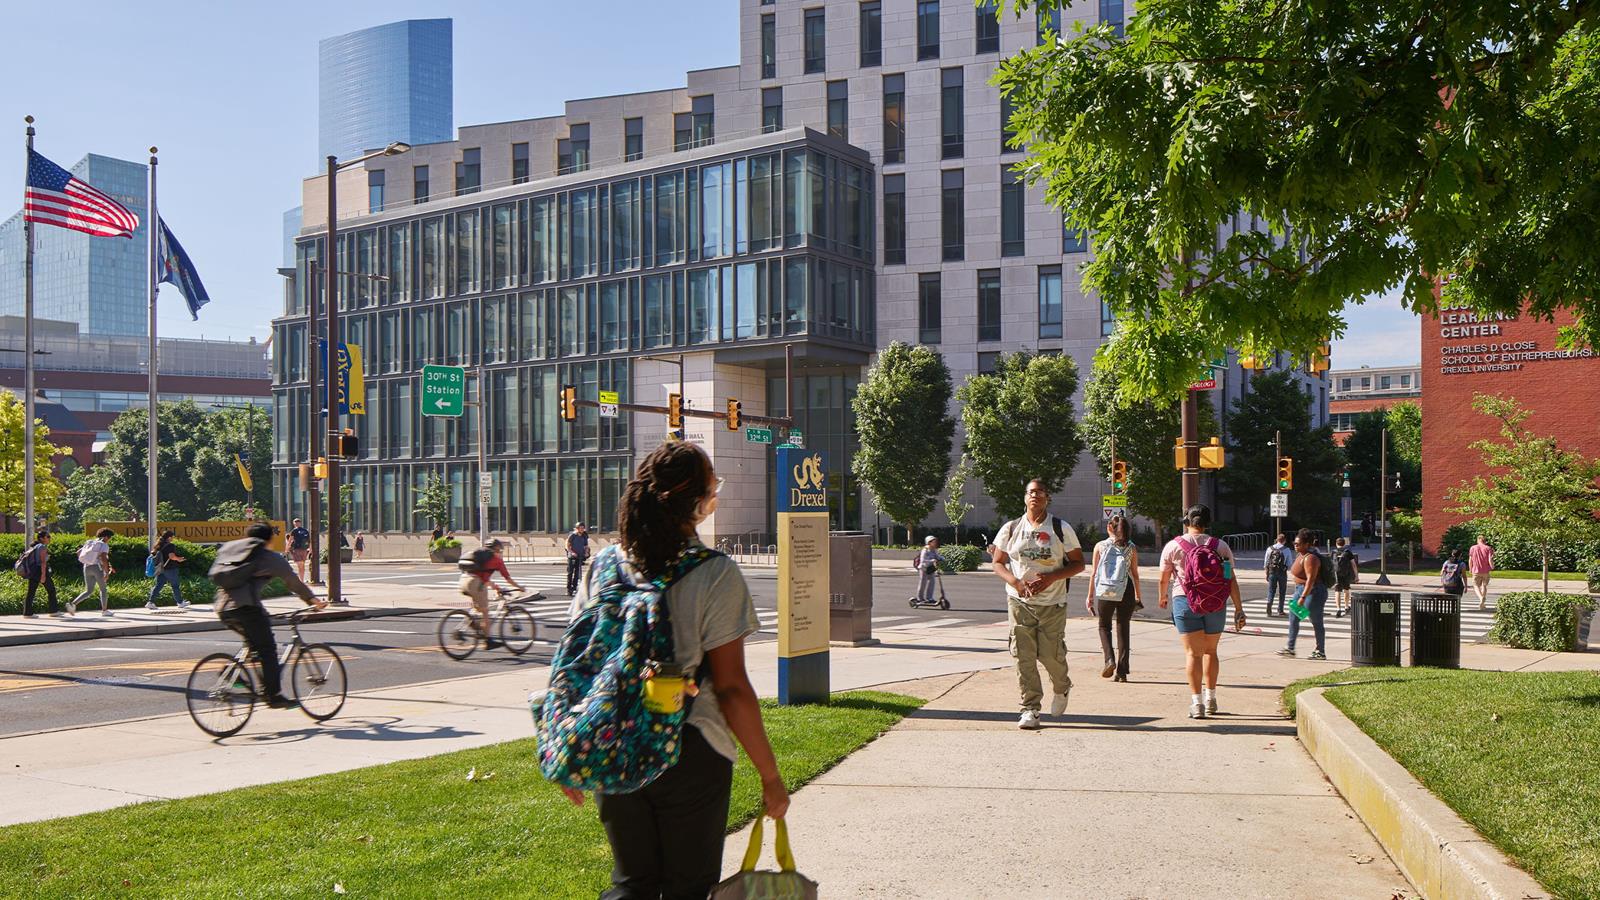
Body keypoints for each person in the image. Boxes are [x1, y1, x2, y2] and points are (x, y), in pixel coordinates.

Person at [560, 441, 789, 899]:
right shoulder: (714, 573)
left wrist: (569, 751)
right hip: (692, 749)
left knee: (632, 882)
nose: (715, 493)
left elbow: (577, 663)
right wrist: (769, 775)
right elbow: (731, 688)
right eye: (712, 485)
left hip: (613, 742)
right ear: (696, 503)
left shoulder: (604, 566)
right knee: (688, 886)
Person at [990, 479, 1085, 730]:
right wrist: (1016, 582)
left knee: (1050, 655)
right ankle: (1030, 708)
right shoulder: (1011, 528)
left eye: (1040, 492)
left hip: (1052, 602)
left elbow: (1078, 563)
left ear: (1047, 497)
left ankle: (1062, 687)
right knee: (1023, 655)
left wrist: (1052, 577)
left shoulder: (1060, 528)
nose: (1035, 496)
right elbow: (998, 562)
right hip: (1019, 601)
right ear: (1025, 497)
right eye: (1031, 492)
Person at [211, 523, 326, 709]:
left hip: (223, 608)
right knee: (268, 650)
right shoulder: (269, 557)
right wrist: (313, 600)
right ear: (270, 539)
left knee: (254, 645)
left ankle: (231, 673)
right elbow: (292, 582)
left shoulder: (233, 550)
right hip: (247, 608)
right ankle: (273, 695)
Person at [1158, 505, 1245, 719]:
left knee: (1192, 654)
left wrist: (1163, 596)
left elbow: (1164, 578)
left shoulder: (1173, 546)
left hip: (1185, 601)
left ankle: (1196, 704)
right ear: (1208, 522)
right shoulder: (1220, 546)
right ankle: (1211, 698)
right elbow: (1229, 578)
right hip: (1215, 603)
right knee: (1211, 652)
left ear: (1186, 521)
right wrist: (1239, 609)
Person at [1086, 514, 1141, 683]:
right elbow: (1135, 574)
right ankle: (1122, 671)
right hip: (1126, 589)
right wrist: (1138, 595)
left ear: (1110, 527)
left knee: (1104, 625)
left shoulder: (1100, 546)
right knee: (1123, 627)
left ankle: (1109, 659)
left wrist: (1090, 596)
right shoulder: (1131, 547)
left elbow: (1094, 573)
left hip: (1106, 590)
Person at [458, 538, 526, 646]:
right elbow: (508, 579)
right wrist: (520, 588)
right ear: (497, 549)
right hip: (475, 582)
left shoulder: (480, 557)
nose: (500, 553)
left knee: (477, 607)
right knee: (485, 611)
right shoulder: (497, 560)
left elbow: (484, 578)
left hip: (463, 580)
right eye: (500, 551)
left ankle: (471, 623)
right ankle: (488, 640)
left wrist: (497, 588)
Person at [1278, 530, 1330, 660]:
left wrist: (1303, 597)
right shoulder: (1300, 555)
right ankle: (1290, 648)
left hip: (1313, 592)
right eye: (1294, 543)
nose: (1295, 545)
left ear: (1307, 544)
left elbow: (1311, 580)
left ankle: (1320, 651)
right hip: (1299, 590)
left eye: (1298, 543)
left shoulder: (1310, 558)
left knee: (1316, 621)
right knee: (1293, 618)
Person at [68, 528, 117, 618]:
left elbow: (78, 552)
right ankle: (104, 611)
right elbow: (103, 557)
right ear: (106, 537)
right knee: (103, 590)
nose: (110, 539)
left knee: (89, 590)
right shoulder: (104, 545)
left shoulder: (90, 542)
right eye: (110, 537)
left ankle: (72, 604)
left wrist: (89, 560)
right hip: (97, 568)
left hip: (86, 567)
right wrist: (106, 572)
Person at [145, 531, 188, 610]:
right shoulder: (170, 545)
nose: (173, 538)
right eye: (172, 537)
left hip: (160, 569)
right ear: (169, 537)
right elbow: (171, 556)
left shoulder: (158, 545)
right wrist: (179, 559)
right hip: (170, 569)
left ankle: (150, 602)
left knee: (158, 585)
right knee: (175, 585)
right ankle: (180, 602)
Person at [19, 531, 59, 618]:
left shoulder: (35, 546)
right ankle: (53, 611)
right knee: (51, 590)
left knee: (31, 592)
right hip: (40, 571)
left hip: (33, 571)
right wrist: (43, 575)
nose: (49, 538)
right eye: (48, 536)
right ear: (42, 538)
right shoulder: (42, 547)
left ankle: (27, 613)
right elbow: (43, 562)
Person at [1263, 533, 1294, 617]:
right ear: (1284, 541)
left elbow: (1266, 562)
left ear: (1277, 540)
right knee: (1282, 591)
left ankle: (1269, 604)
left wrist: (1267, 573)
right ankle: (1280, 610)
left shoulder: (1269, 549)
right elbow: (1289, 563)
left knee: (1271, 590)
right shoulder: (1286, 550)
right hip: (1282, 572)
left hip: (1272, 571)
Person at [912, 536, 944, 605]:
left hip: (930, 568)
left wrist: (942, 558)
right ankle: (920, 598)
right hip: (924, 568)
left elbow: (937, 556)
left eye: (935, 541)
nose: (935, 543)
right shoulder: (925, 550)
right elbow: (923, 560)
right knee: (923, 584)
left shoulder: (934, 549)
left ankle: (929, 598)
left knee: (931, 583)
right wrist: (932, 560)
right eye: (933, 541)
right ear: (929, 542)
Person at [1332, 537, 1359, 617]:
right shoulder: (1348, 552)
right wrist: (1356, 576)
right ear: (1344, 544)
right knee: (1346, 590)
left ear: (1336, 544)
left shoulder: (1333, 552)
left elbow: (1330, 564)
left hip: (1336, 574)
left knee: (1337, 591)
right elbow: (1353, 564)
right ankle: (1346, 607)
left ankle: (1338, 609)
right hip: (1346, 574)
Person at [564, 521, 591, 597]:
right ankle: (569, 589)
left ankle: (574, 587)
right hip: (572, 556)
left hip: (580, 556)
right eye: (580, 528)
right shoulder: (573, 535)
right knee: (570, 573)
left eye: (583, 528)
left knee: (577, 573)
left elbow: (585, 546)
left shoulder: (584, 536)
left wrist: (586, 552)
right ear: (577, 528)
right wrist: (572, 552)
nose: (582, 529)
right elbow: (567, 545)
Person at [1469, 535, 1495, 610]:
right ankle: (1482, 604)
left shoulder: (1473, 548)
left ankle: (1481, 598)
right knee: (1484, 586)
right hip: (1486, 571)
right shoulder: (1488, 548)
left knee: (1476, 585)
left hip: (1476, 570)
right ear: (1485, 541)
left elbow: (1470, 560)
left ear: (1478, 540)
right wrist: (1492, 566)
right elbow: (1490, 559)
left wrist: (1470, 568)